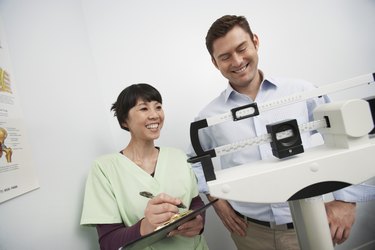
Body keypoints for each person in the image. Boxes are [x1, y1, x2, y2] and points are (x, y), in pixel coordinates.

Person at [188, 15, 374, 250]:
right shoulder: (209, 117)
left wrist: (347, 201)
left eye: (241, 48)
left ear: (255, 41)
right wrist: (217, 201)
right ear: (215, 63)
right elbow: (194, 161)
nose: (236, 61)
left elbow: (343, 137)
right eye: (225, 57)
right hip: (250, 233)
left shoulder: (302, 91)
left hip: (310, 223)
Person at [81, 83, 209, 250]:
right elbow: (108, 243)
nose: (155, 115)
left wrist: (199, 222)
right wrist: (146, 226)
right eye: (144, 109)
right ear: (124, 120)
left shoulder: (178, 156)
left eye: (158, 107)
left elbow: (195, 202)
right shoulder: (104, 169)